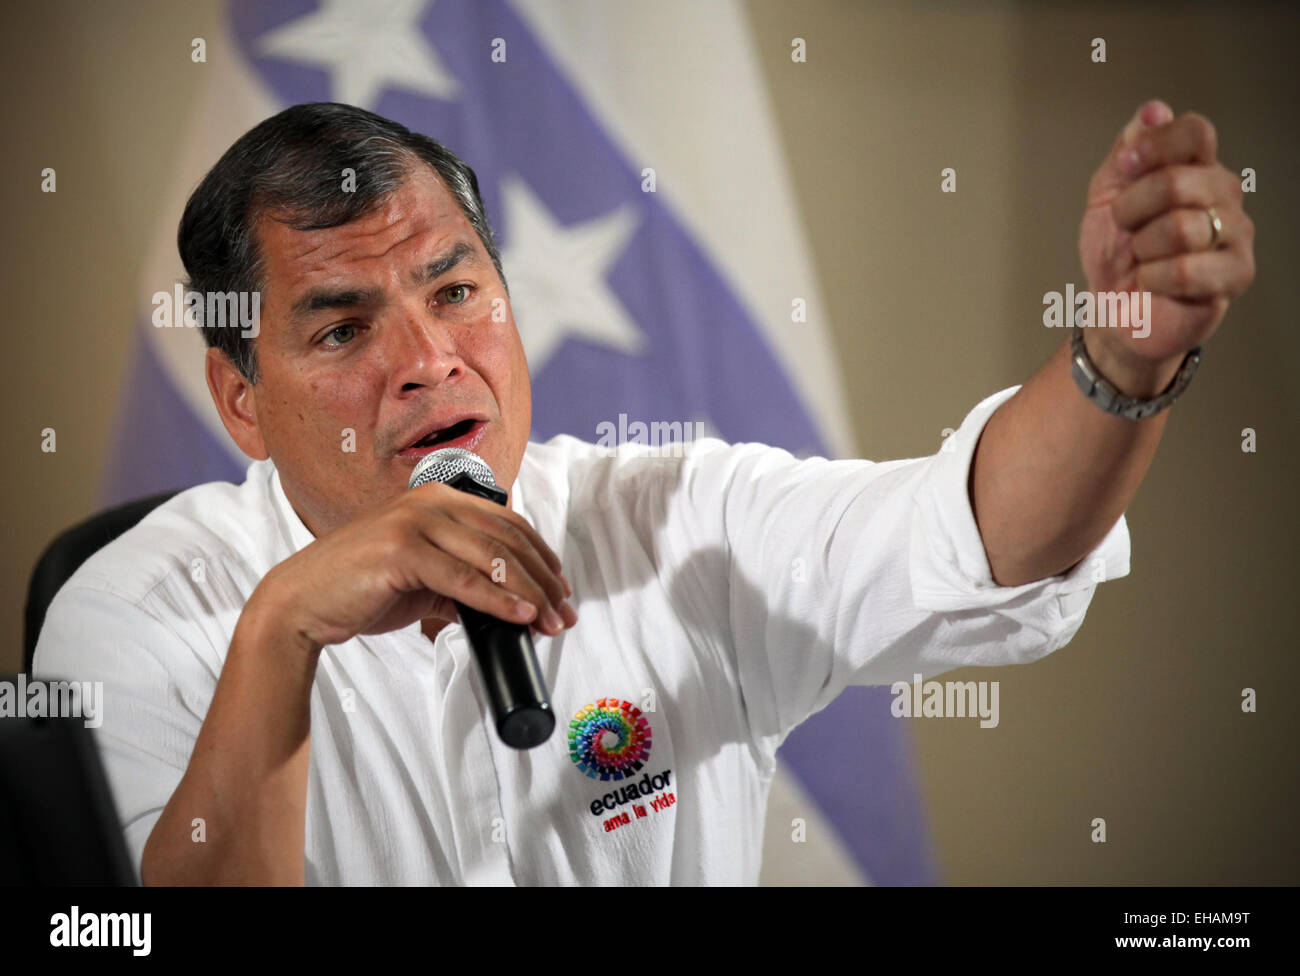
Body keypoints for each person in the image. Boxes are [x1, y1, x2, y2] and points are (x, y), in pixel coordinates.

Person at [34, 99, 1255, 885]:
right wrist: (283, 631)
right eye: (346, 328)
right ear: (241, 397)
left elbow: (974, 535)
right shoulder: (133, 611)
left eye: (455, 292)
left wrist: (1119, 360)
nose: (429, 360)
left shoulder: (675, 518)